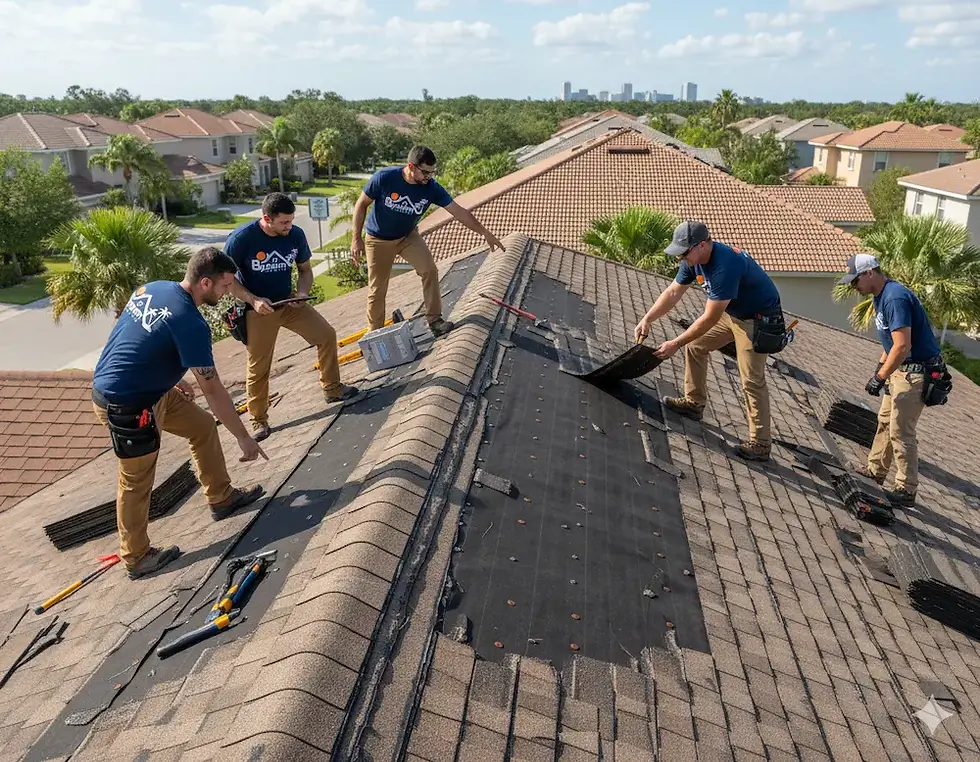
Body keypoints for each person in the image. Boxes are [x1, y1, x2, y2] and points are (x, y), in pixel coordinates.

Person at [92, 247, 268, 579]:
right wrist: (244, 438)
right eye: (225, 285)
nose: (228, 291)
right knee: (136, 480)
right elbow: (213, 391)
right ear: (205, 283)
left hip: (149, 390)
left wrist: (173, 378)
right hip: (127, 405)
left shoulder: (153, 288)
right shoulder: (191, 322)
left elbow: (141, 336)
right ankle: (137, 556)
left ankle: (221, 497)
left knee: (202, 425)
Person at [634, 220, 786, 461]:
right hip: (733, 313)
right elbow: (673, 292)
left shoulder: (725, 266)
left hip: (757, 321)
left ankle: (760, 443)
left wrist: (675, 343)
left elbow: (709, 318)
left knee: (751, 380)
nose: (681, 258)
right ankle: (694, 403)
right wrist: (647, 319)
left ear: (702, 245)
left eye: (684, 253)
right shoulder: (693, 260)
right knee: (696, 347)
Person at [225, 192, 358, 442]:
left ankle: (332, 388)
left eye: (291, 220)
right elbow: (228, 282)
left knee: (326, 335)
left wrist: (302, 293)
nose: (289, 226)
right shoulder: (241, 239)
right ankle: (259, 420)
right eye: (284, 222)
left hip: (288, 302)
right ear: (267, 218)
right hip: (258, 310)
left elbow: (305, 270)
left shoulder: (295, 235)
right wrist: (253, 299)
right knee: (259, 367)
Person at [350, 145, 504, 336]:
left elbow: (459, 212)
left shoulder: (431, 188)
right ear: (411, 166)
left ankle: (435, 320)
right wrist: (356, 238)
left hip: (407, 236)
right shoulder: (385, 178)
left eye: (432, 173)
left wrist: (485, 233)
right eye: (425, 172)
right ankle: (375, 334)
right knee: (377, 288)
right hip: (378, 239)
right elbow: (361, 204)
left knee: (429, 270)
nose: (428, 177)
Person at [838, 254, 947, 507]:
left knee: (901, 431)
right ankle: (875, 471)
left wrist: (880, 376)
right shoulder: (880, 296)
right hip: (900, 370)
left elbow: (903, 345)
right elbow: (889, 341)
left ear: (869, 273)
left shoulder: (895, 298)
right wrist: (881, 368)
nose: (854, 287)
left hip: (914, 374)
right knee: (885, 422)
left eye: (855, 281)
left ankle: (906, 489)